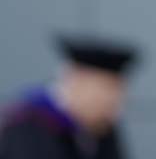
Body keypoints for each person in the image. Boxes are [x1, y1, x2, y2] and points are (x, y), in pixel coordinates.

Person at [0, 35, 138, 159]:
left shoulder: (101, 125)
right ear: (77, 83)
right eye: (106, 93)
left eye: (118, 94)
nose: (114, 106)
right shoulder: (29, 126)